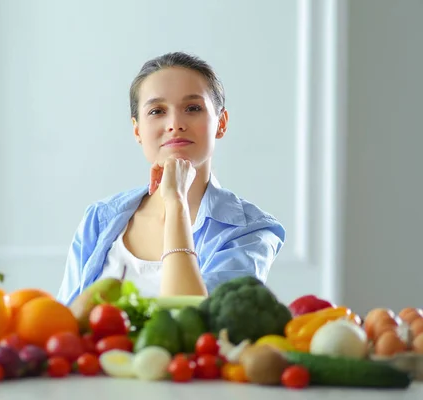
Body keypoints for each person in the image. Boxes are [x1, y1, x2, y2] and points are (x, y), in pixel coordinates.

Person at [57, 51, 286, 306]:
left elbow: (195, 323)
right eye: (157, 111)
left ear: (221, 123)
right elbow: (64, 324)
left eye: (192, 108)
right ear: (137, 130)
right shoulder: (99, 220)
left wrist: (176, 201)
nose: (175, 123)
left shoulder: (251, 231)